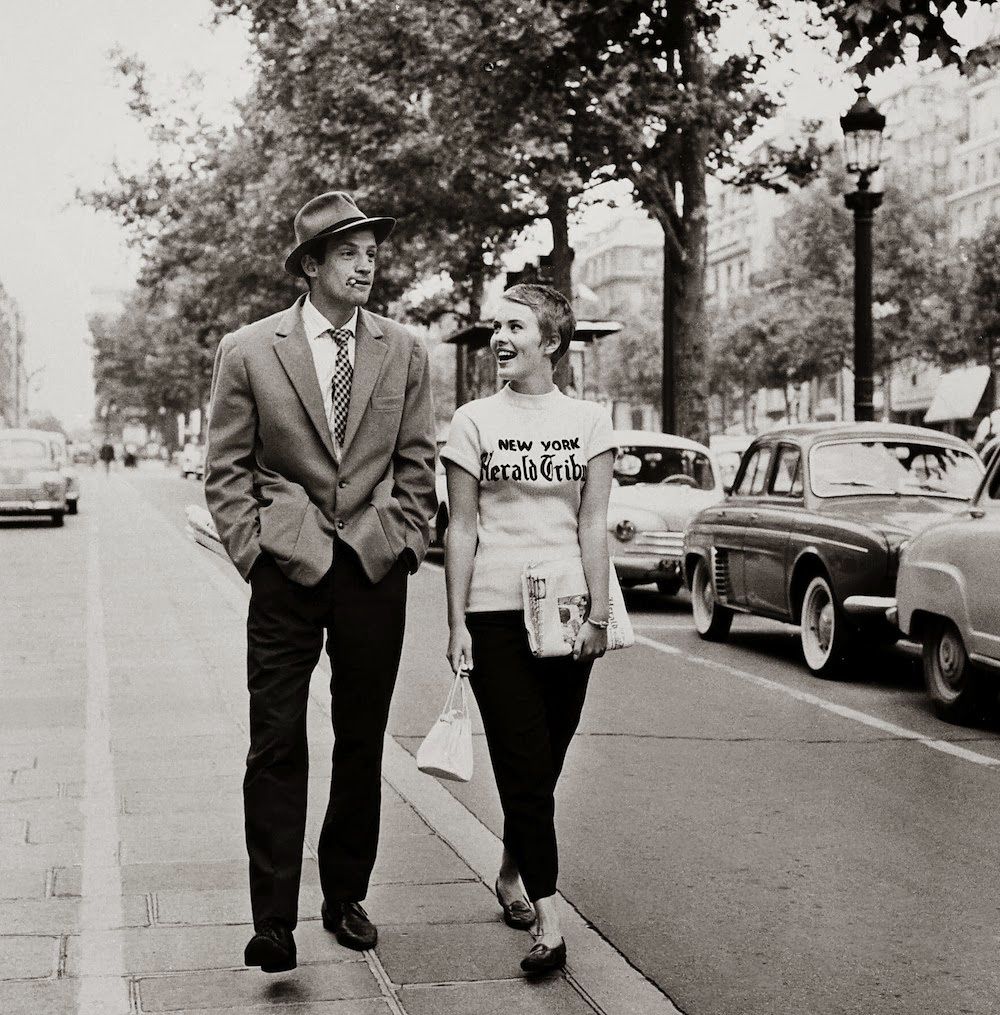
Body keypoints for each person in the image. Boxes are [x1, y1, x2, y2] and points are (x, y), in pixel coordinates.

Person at [205, 191, 437, 974]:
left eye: (373, 250)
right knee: (274, 741)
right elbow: (227, 467)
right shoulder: (248, 349)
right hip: (287, 566)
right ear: (311, 266)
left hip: (372, 568)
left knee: (362, 741)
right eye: (349, 252)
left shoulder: (404, 350)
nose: (368, 262)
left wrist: (401, 540)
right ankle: (273, 920)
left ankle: (345, 896)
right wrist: (253, 552)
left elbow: (417, 463)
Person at [440, 283, 616, 975]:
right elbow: (461, 525)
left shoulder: (589, 420)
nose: (500, 338)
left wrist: (601, 613)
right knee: (522, 759)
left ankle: (511, 874)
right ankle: (549, 917)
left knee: (544, 763)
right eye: (495, 326)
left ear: (552, 341)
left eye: (515, 326)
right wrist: (454, 619)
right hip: (492, 611)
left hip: (569, 611)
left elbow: (593, 521)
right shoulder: (472, 420)